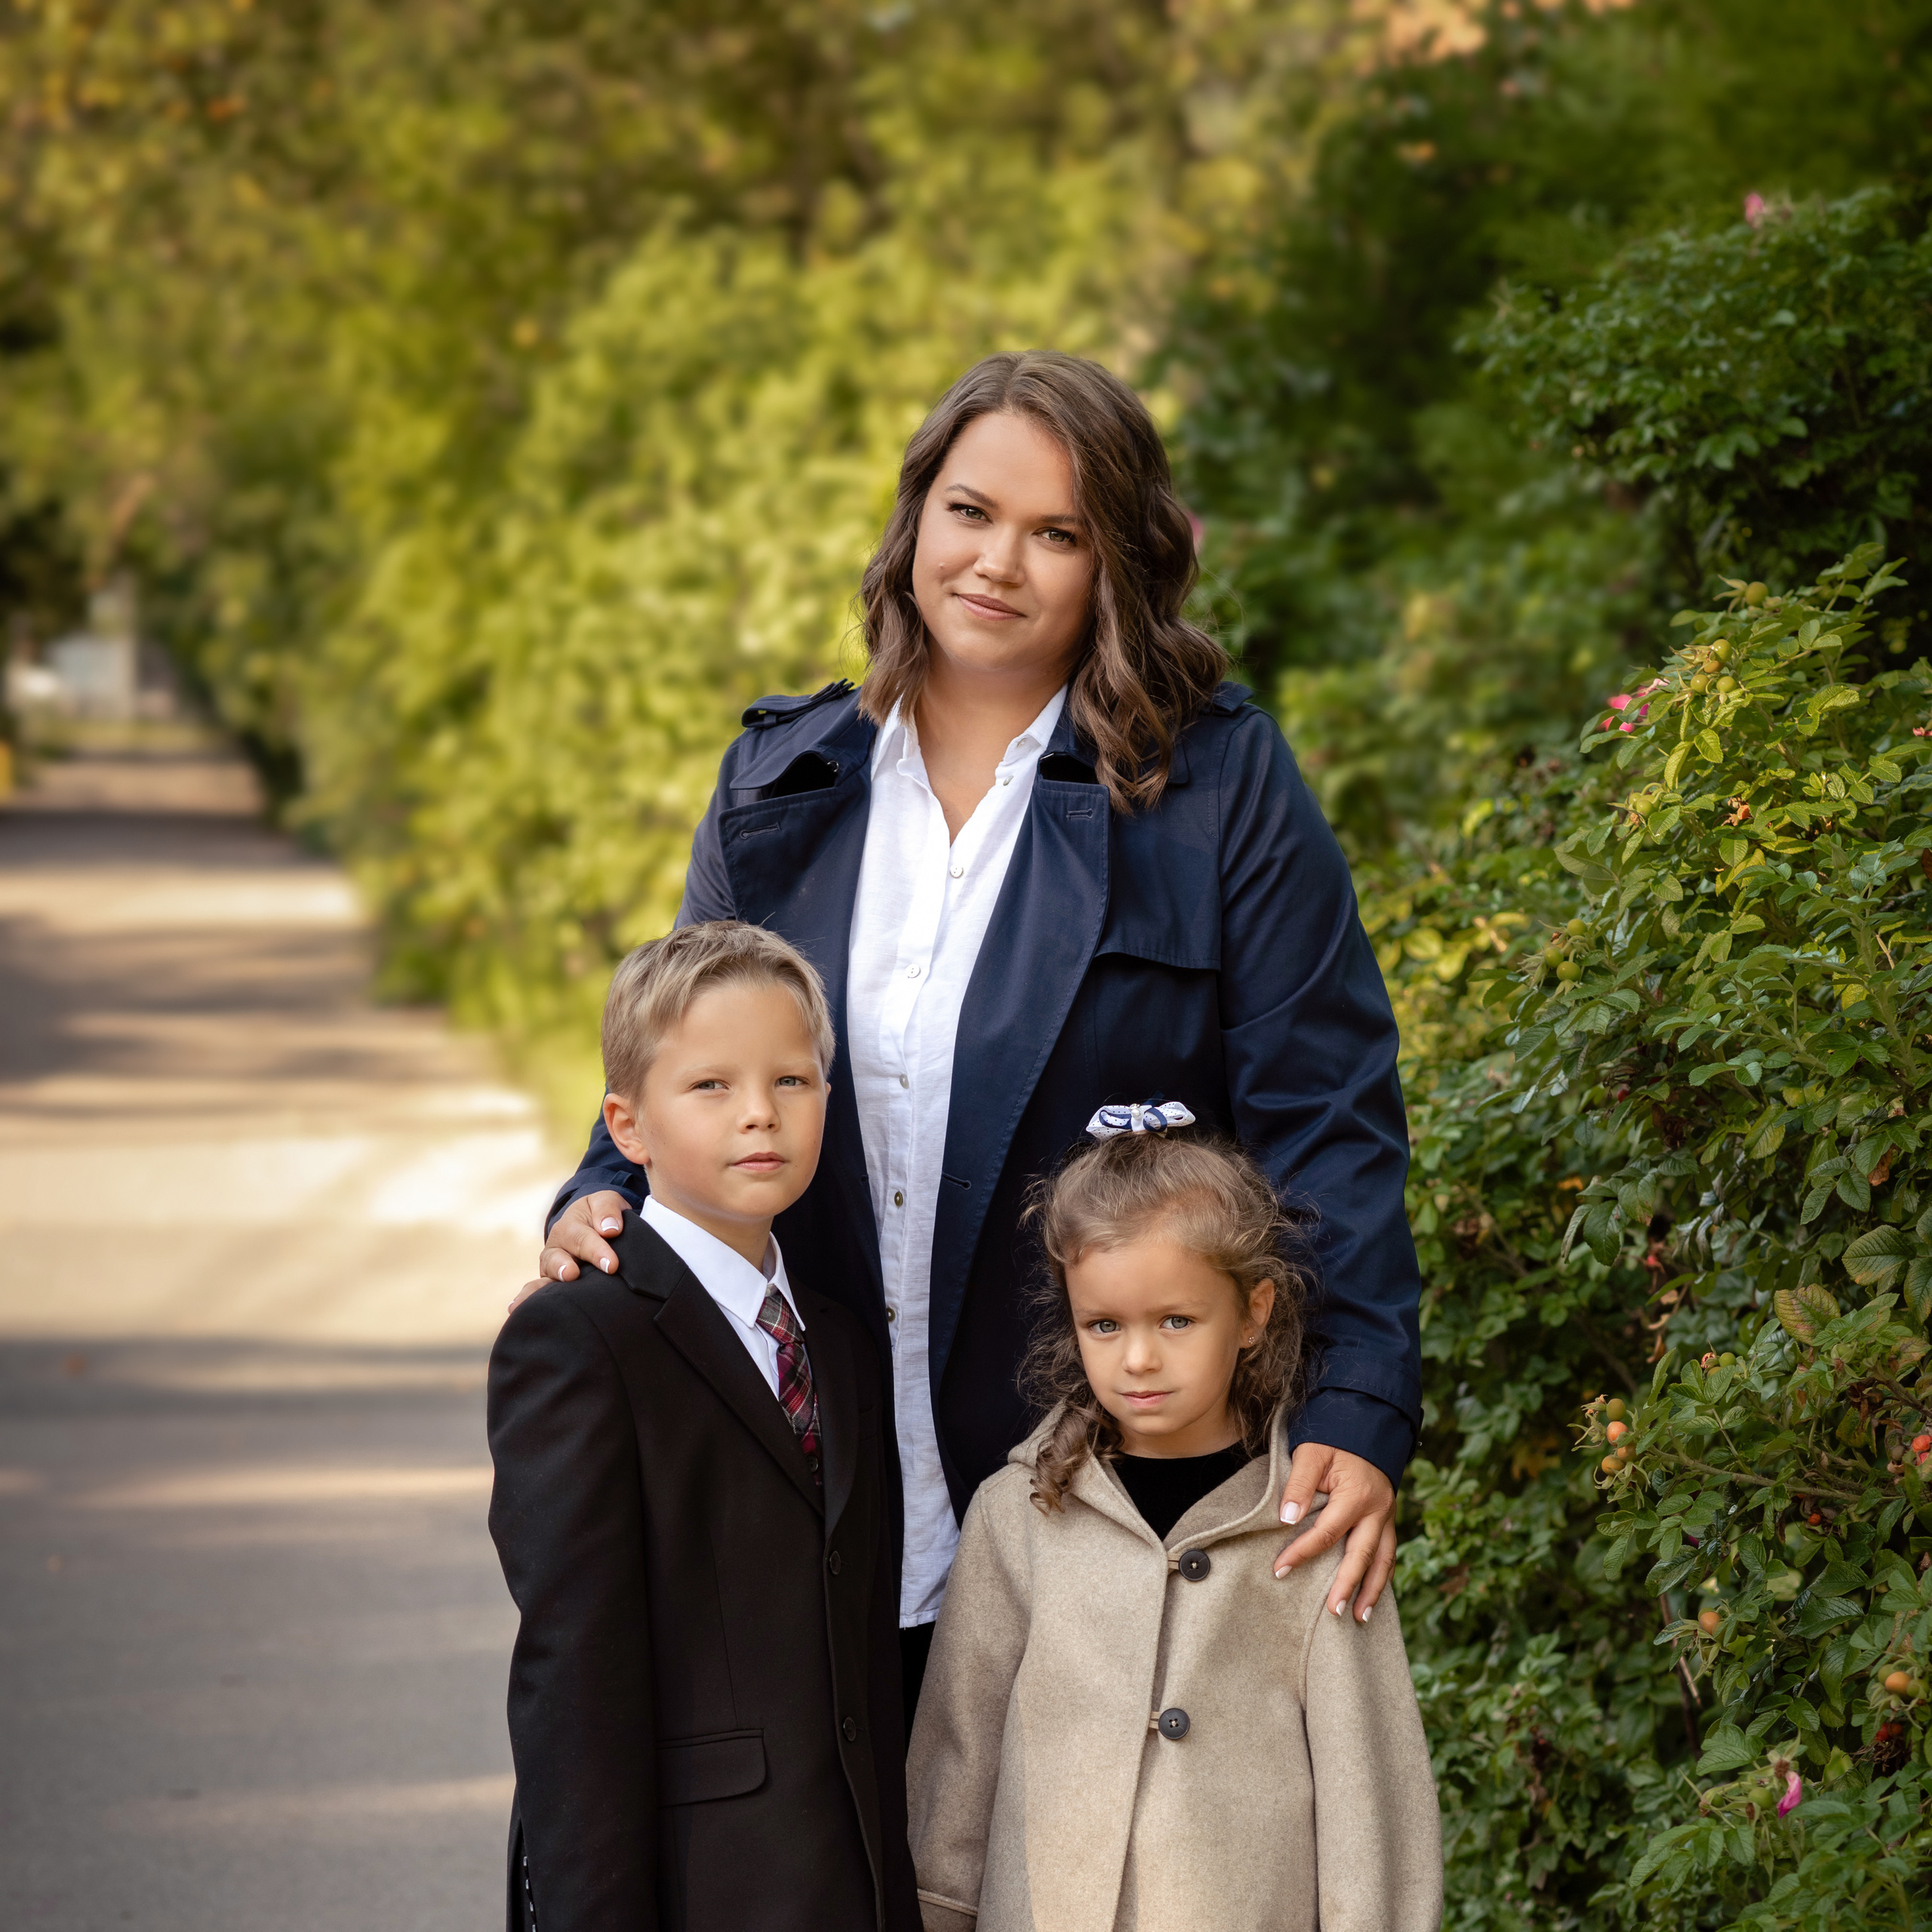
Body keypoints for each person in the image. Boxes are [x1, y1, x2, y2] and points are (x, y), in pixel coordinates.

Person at [528, 349, 1422, 1710]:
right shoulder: (782, 790)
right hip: (798, 1485)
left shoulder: (1222, 788)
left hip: (1097, 1490)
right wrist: (601, 1195)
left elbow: (1329, 1119)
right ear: (915, 523)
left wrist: (1361, 1409)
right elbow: (681, 1066)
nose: (999, 562)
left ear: (1114, 563)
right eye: (969, 511)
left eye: (1056, 533)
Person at [906, 1111, 1441, 1932]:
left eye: (1176, 1321)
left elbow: (1370, 1795)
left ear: (1254, 1312)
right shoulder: (1015, 1516)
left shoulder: (1310, 1524)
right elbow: (958, 1754)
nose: (1138, 1359)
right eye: (1105, 1325)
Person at [488, 921, 919, 1932]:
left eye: (794, 1082)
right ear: (626, 1128)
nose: (760, 1115)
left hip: (850, 1881)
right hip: (695, 1884)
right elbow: (573, 1673)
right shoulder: (579, 1340)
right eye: (711, 1086)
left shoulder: (844, 1342)